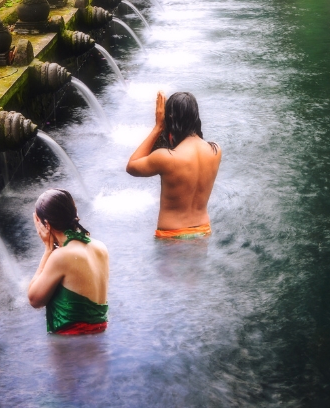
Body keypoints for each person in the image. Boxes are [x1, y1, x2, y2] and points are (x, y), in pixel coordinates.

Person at [126, 91, 222, 239]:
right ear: (196, 116)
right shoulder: (215, 150)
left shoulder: (166, 158)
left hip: (171, 236)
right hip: (203, 233)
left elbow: (131, 166)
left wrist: (158, 127)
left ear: (169, 120)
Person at [27, 189, 109, 335]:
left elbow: (34, 299)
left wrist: (47, 250)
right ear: (74, 212)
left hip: (72, 347)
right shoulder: (100, 247)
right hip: (99, 342)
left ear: (46, 224)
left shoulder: (60, 257)